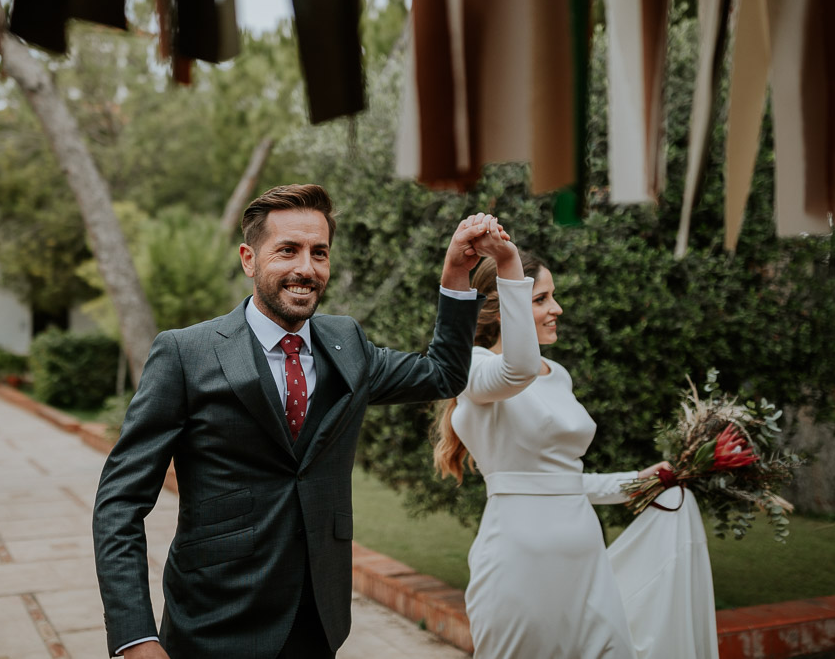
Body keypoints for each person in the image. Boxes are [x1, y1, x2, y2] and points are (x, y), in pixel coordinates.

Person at [94, 183, 508, 659]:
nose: (305, 269)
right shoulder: (185, 354)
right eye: (287, 250)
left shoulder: (347, 343)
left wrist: (457, 273)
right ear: (249, 259)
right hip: (214, 621)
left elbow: (443, 374)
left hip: (319, 620)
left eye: (319, 253)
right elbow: (120, 503)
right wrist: (135, 637)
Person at [432, 235, 718, 659]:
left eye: (554, 297)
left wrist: (637, 483)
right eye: (541, 299)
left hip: (586, 555)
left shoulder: (558, 374)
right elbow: (517, 370)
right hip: (520, 561)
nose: (557, 310)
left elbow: (563, 481)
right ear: (502, 307)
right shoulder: (475, 368)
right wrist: (509, 260)